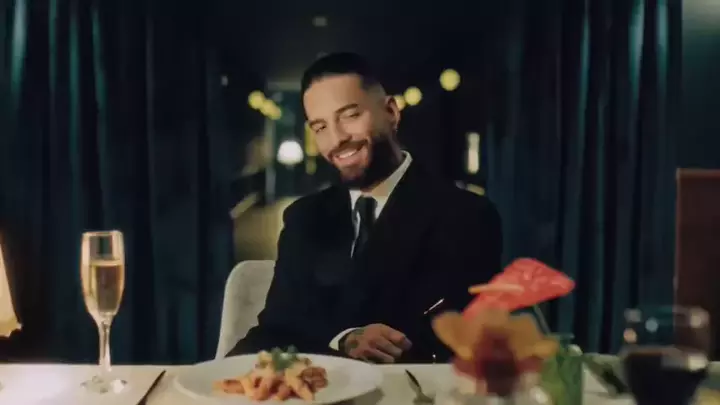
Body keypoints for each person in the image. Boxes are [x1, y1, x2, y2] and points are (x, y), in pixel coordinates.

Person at [228, 52, 502, 363]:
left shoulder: (468, 217)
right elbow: (279, 325)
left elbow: (459, 341)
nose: (337, 139)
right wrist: (344, 339)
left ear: (391, 112)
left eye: (350, 115)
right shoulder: (303, 217)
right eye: (320, 127)